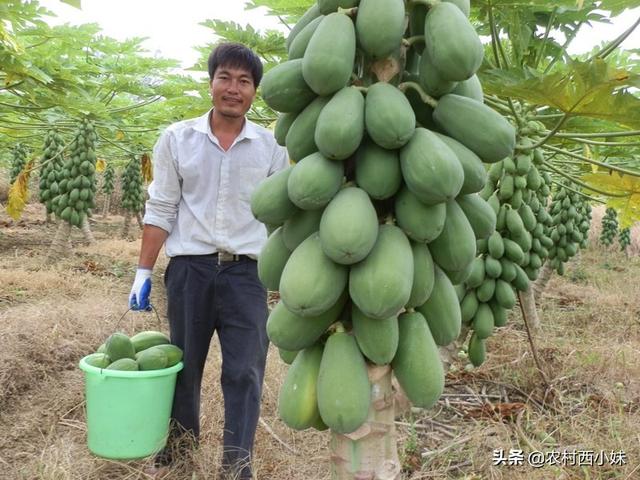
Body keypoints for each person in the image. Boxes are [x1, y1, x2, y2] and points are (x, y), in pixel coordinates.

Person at [128, 42, 289, 479]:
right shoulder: (177, 139)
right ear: (211, 81)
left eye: (244, 81)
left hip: (247, 272)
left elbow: (283, 218)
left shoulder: (272, 147)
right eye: (225, 78)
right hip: (190, 270)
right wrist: (144, 272)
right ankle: (179, 453)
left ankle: (237, 465)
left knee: (245, 371)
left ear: (254, 91)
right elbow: (161, 208)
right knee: (182, 366)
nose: (233, 89)